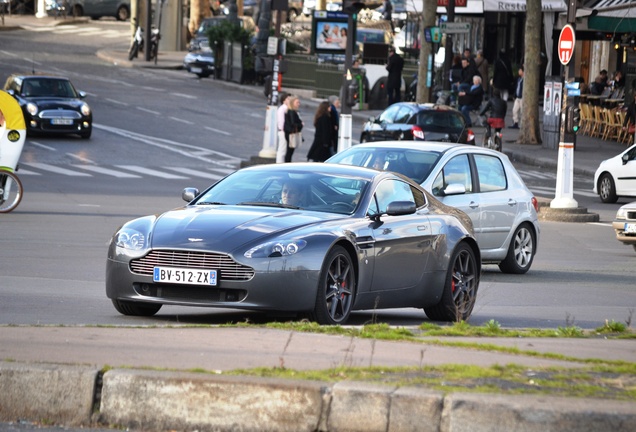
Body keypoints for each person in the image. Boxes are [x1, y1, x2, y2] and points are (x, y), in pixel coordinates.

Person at [283, 95, 303, 163]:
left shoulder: (291, 111)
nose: (298, 104)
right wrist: (300, 124)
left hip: (289, 133)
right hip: (291, 133)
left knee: (290, 150)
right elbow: (293, 123)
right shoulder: (291, 112)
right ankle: (287, 164)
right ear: (292, 103)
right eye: (297, 102)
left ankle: (287, 163)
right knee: (289, 151)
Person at [276, 93, 290, 163]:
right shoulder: (284, 108)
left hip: (281, 130)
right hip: (283, 131)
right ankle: (279, 163)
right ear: (284, 100)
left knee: (282, 148)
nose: (289, 100)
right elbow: (282, 121)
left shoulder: (282, 108)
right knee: (282, 149)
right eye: (288, 99)